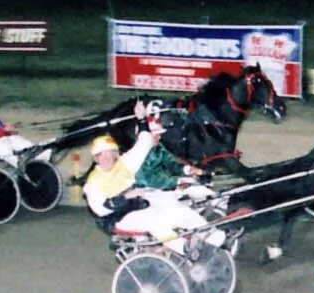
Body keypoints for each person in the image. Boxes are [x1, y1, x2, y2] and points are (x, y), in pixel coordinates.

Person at [82, 109, 224, 256]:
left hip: (140, 204)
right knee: (152, 219)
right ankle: (184, 248)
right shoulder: (93, 183)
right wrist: (125, 197)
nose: (107, 158)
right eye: (101, 155)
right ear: (96, 158)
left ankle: (211, 236)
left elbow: (143, 142)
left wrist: (142, 118)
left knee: (176, 209)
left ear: (116, 153)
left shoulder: (125, 163)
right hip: (117, 218)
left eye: (110, 153)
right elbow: (102, 210)